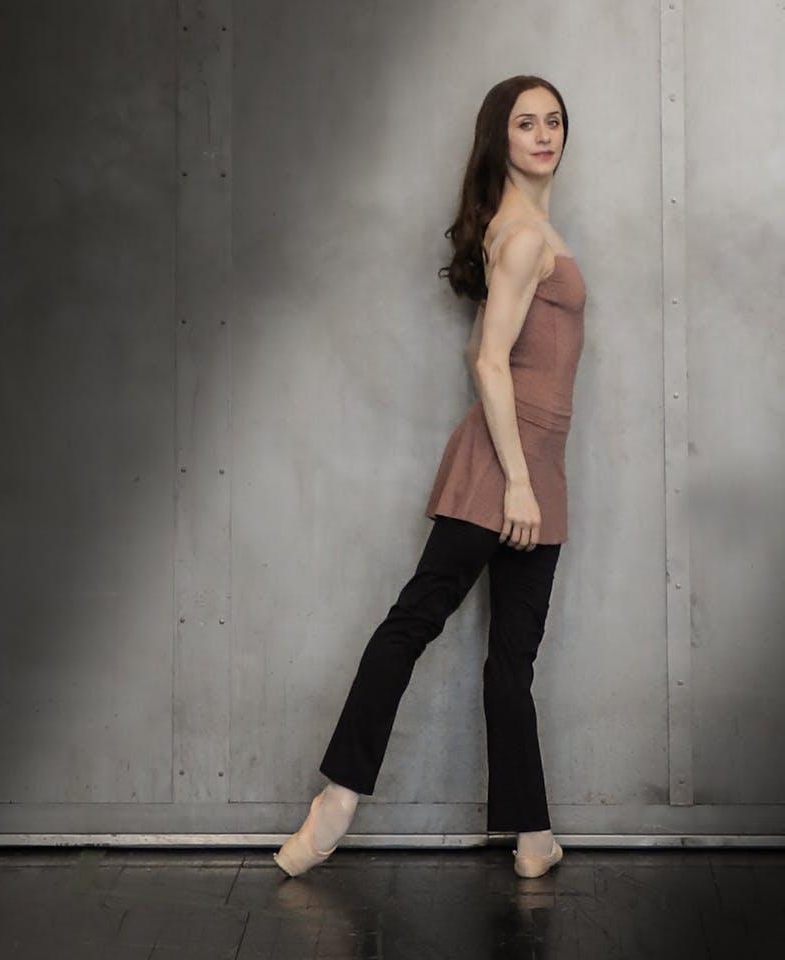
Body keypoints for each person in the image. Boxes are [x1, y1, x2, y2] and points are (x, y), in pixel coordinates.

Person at [274, 75, 585, 880]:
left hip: (537, 461)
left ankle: (531, 836)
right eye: (526, 123)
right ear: (500, 138)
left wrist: (532, 475)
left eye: (553, 121)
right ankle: (338, 796)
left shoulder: (528, 228)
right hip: (508, 462)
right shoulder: (522, 237)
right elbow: (485, 359)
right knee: (416, 620)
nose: (544, 135)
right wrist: (516, 480)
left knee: (511, 658)